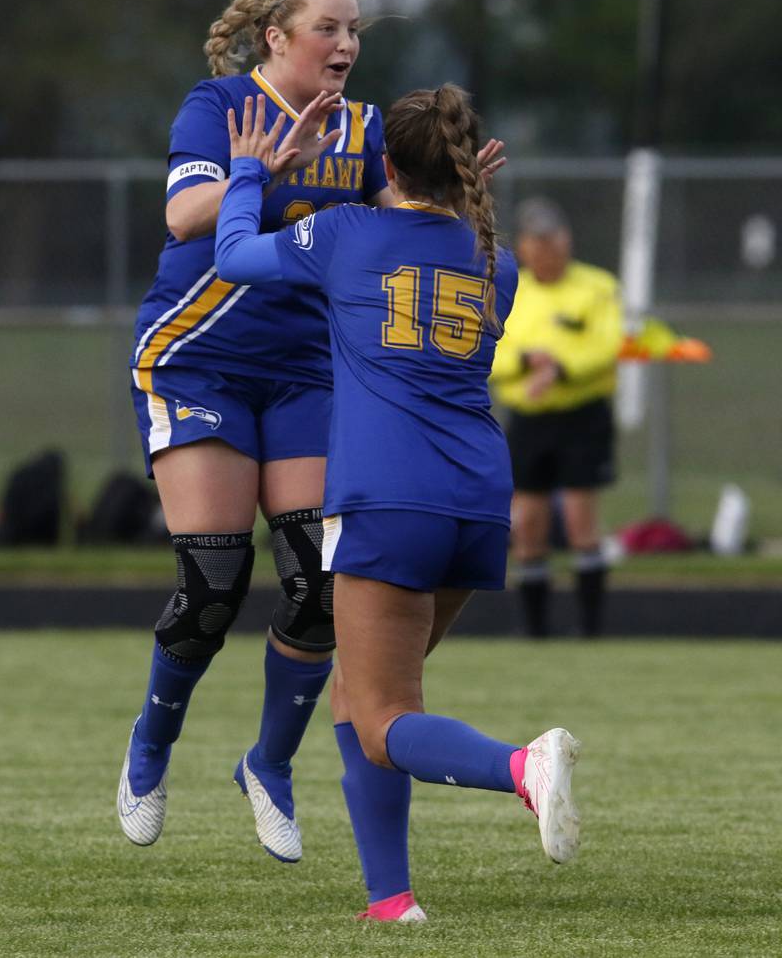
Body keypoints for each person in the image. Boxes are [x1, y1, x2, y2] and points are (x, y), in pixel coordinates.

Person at [214, 84, 581, 921]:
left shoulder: (346, 232)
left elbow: (233, 254)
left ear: (383, 164)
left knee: (382, 718)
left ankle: (521, 766)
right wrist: (447, 195)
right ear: (467, 171)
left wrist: (246, 172)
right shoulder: (500, 261)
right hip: (478, 498)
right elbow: (429, 243)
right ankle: (391, 898)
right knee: (359, 690)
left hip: (387, 494)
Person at [117, 0, 393, 861]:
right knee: (215, 585)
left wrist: (458, 206)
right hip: (198, 362)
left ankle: (268, 765)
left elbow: (399, 220)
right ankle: (151, 747)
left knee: (317, 583)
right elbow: (188, 217)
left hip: (305, 370)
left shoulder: (363, 126)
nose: (346, 45)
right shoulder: (221, 106)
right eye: (329, 28)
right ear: (277, 38)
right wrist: (259, 171)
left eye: (354, 31)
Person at [490, 197, 623, 637]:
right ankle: (536, 632)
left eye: (553, 239)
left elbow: (606, 346)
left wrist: (561, 368)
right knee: (527, 522)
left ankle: (591, 629)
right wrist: (528, 362)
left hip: (582, 415)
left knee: (582, 517)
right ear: (523, 247)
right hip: (529, 418)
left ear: (567, 241)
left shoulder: (597, 286)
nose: (547, 249)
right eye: (537, 241)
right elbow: (494, 350)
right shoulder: (510, 286)